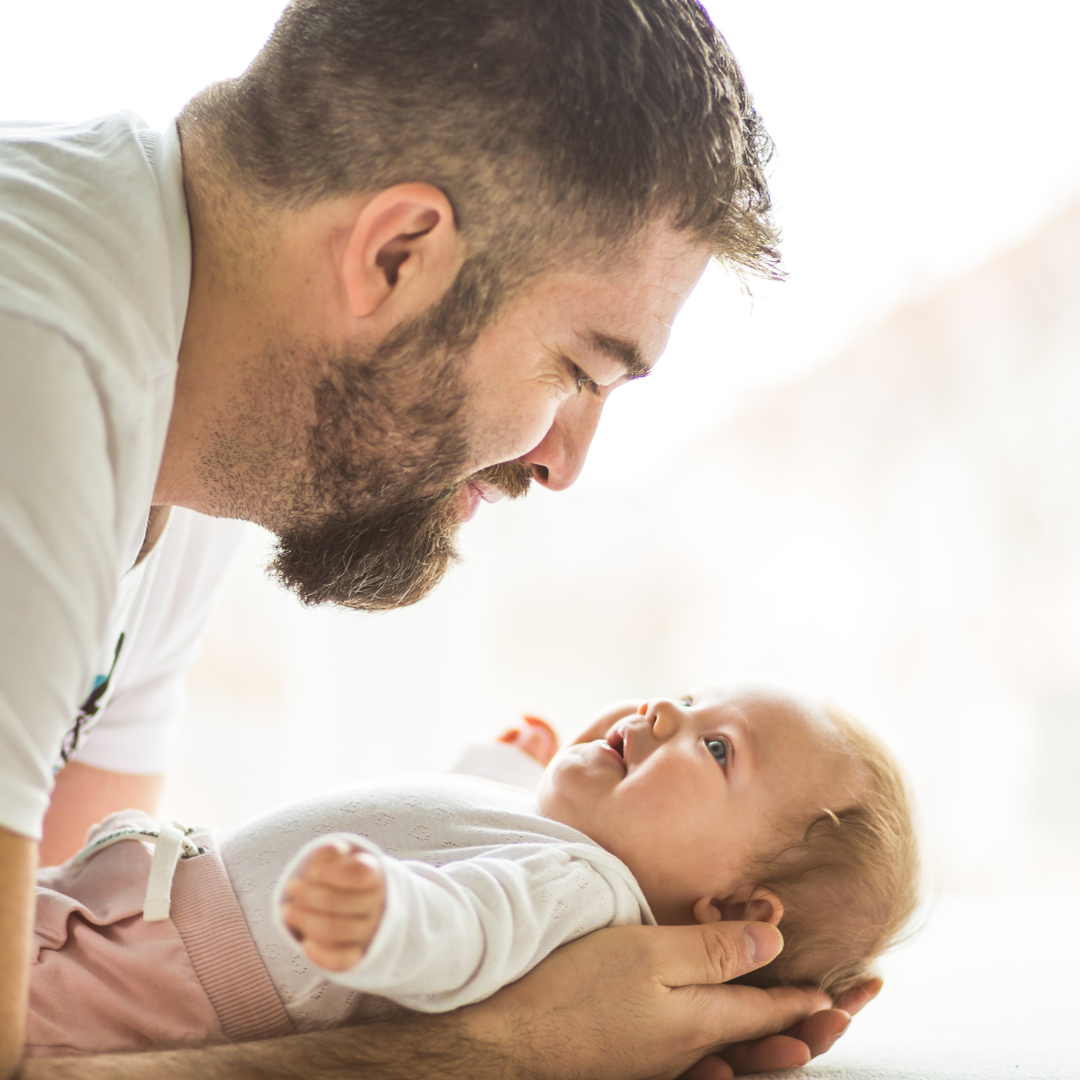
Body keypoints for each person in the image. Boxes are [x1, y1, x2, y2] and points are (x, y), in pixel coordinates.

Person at [0, 0, 876, 1075]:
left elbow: (64, 981)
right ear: (399, 255)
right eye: (577, 372)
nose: (565, 463)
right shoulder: (31, 386)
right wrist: (506, 1052)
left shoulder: (182, 431)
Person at [23, 681, 919, 1060]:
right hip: (128, 920)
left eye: (715, 747)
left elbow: (465, 926)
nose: (660, 710)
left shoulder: (586, 895)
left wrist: (386, 919)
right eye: (685, 697)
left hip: (138, 987)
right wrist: (492, 771)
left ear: (731, 907)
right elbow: (452, 835)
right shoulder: (558, 844)